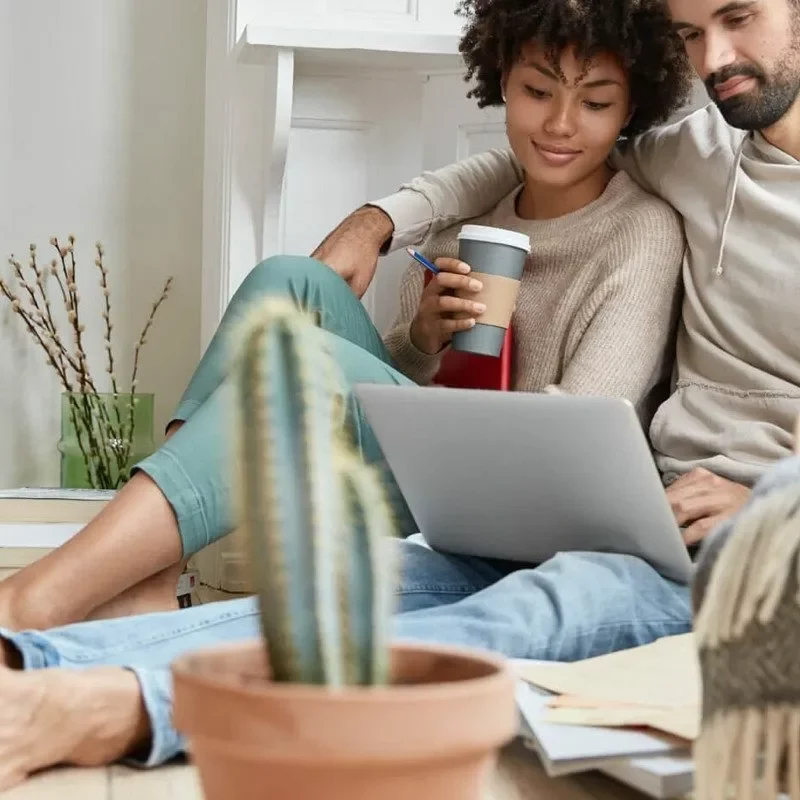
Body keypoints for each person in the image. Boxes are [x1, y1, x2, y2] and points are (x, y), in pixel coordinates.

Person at [1, 0, 799, 787]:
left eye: (741, 18)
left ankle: (121, 695)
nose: (714, 59)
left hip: (751, 547)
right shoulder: (699, 147)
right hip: (646, 510)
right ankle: (44, 650)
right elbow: (537, 154)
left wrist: (774, 505)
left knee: (516, 612)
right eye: (692, 34)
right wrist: (380, 221)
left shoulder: (649, 223)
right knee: (352, 578)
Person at [0, 0, 689, 635]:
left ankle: (36, 600)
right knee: (287, 283)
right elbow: (409, 393)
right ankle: (149, 574)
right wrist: (420, 341)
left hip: (518, 517)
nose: (561, 125)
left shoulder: (641, 234)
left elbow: (577, 449)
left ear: (630, 108)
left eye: (595, 103)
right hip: (430, 476)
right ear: (501, 81)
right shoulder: (471, 217)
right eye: (538, 92)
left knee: (311, 368)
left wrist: (413, 396)